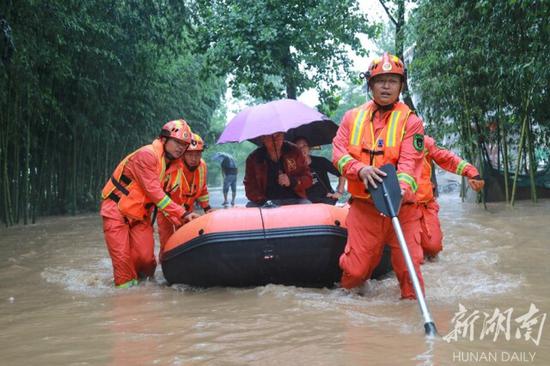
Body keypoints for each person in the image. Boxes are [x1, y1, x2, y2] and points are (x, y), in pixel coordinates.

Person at [333, 52, 426, 299]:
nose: (386, 86)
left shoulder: (411, 121)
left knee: (410, 272)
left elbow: (410, 163)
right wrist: (359, 169)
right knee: (355, 271)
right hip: (364, 208)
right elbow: (339, 154)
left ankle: (410, 317)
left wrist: (401, 189)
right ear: (371, 84)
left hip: (402, 208)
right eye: (380, 80)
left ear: (401, 86)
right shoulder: (351, 118)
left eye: (392, 80)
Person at [100, 120, 197, 288]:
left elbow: (171, 199)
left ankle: (145, 293)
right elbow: (156, 194)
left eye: (184, 145)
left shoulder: (173, 166)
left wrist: (185, 221)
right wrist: (183, 213)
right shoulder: (146, 155)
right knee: (123, 264)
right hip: (117, 212)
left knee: (147, 262)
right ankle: (127, 303)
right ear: (164, 139)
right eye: (178, 142)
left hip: (140, 216)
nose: (181, 148)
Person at [417, 135, 485, 259]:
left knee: (433, 248)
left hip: (423, 203)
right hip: (394, 205)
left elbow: (446, 158)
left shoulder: (421, 141)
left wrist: (472, 173)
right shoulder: (378, 138)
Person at [158, 133, 210, 254]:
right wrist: (177, 215)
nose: (194, 158)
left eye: (197, 154)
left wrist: (207, 208)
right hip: (168, 211)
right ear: (183, 154)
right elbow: (163, 196)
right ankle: (166, 267)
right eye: (190, 154)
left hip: (188, 211)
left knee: (187, 242)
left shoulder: (202, 166)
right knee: (167, 243)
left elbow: (202, 189)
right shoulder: (172, 167)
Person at [244, 132, 313, 207]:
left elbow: (308, 179)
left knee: (307, 206)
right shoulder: (254, 158)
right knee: (250, 207)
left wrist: (291, 181)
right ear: (263, 138)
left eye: (278, 135)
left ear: (283, 136)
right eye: (270, 136)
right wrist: (263, 202)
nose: (275, 140)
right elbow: (250, 188)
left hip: (295, 199)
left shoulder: (294, 151)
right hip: (266, 201)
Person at [293, 136, 346, 204]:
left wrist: (339, 192)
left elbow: (342, 173)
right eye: (298, 147)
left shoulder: (321, 161)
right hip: (306, 204)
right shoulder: (294, 167)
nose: (302, 149)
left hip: (326, 201)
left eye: (304, 145)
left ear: (309, 147)